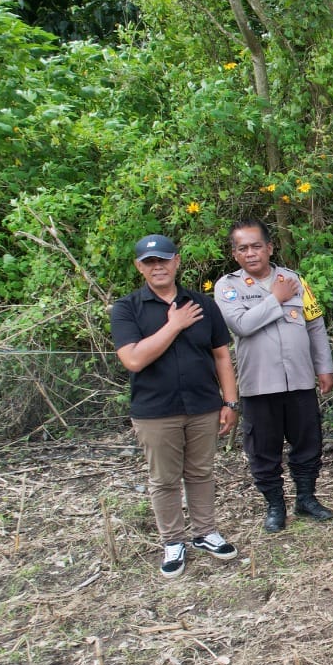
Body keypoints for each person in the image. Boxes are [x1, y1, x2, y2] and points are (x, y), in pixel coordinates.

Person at [110, 234, 240, 578]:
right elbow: (134, 360)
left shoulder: (201, 304)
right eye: (150, 262)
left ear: (177, 261)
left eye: (164, 260)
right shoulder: (127, 309)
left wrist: (230, 401)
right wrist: (174, 325)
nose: (158, 267)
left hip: (203, 405)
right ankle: (173, 542)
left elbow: (222, 356)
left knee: (200, 472)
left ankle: (205, 532)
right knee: (164, 479)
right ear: (140, 267)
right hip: (155, 411)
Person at [214, 220, 333, 533]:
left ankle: (306, 498)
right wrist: (276, 298)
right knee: (263, 449)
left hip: (298, 378)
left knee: (308, 442)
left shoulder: (294, 279)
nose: (251, 253)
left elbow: (314, 324)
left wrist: (323, 366)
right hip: (260, 383)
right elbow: (241, 325)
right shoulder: (228, 287)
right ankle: (275, 506)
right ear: (235, 254)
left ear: (269, 247)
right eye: (243, 248)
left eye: (257, 246)